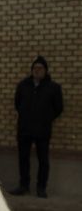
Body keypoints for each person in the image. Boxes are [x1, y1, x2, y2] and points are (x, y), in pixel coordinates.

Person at [10, 56, 63, 198]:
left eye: (40, 68)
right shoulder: (23, 85)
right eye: (35, 68)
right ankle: (24, 185)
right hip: (25, 129)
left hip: (42, 130)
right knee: (23, 158)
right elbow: (18, 104)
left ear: (45, 70)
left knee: (43, 160)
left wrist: (46, 118)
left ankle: (41, 187)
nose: (37, 70)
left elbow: (58, 108)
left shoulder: (53, 88)